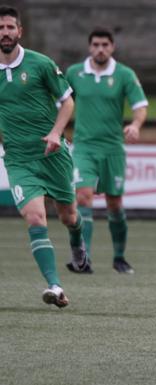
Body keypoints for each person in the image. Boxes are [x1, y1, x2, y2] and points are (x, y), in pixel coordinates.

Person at [0, 5, 89, 307]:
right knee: (35, 216)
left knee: (69, 216)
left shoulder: (40, 64)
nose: (5, 33)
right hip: (19, 159)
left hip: (53, 155)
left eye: (10, 27)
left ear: (20, 31)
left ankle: (78, 243)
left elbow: (67, 103)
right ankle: (55, 286)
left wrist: (55, 133)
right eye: (1, 28)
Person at [65, 27, 148, 274]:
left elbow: (140, 105)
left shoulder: (124, 74)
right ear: (89, 47)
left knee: (115, 204)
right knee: (83, 197)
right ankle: (84, 259)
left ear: (112, 47)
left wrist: (135, 124)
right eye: (96, 45)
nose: (100, 49)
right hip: (84, 147)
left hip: (112, 149)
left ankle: (119, 257)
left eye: (105, 45)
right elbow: (61, 102)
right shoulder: (74, 73)